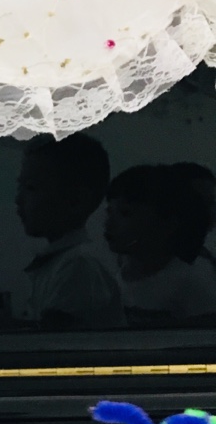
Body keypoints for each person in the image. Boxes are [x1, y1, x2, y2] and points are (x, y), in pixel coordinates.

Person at [14, 134, 124, 330]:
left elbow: (52, 341)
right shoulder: (63, 261)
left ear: (76, 200)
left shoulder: (78, 266)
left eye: (31, 188)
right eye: (20, 186)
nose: (18, 199)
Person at [104, 163, 216, 326]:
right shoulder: (115, 274)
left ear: (167, 224)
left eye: (125, 213)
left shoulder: (194, 279)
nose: (108, 223)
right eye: (109, 212)